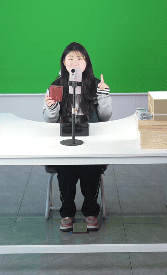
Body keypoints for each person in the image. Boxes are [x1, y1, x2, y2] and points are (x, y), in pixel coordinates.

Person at [43, 42, 112, 232]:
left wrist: (104, 95)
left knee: (90, 167)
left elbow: (105, 117)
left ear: (86, 62)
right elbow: (50, 120)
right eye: (70, 58)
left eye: (79, 58)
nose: (75, 62)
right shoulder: (56, 86)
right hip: (64, 142)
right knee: (66, 169)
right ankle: (67, 213)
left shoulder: (96, 85)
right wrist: (51, 107)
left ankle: (91, 211)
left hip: (91, 142)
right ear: (64, 63)